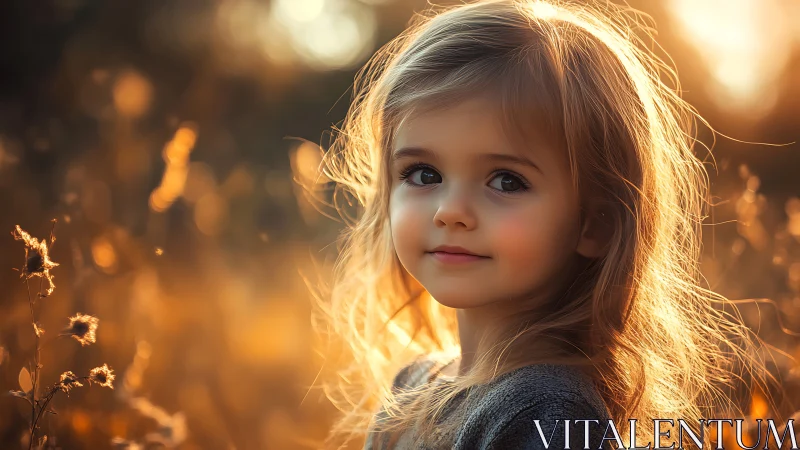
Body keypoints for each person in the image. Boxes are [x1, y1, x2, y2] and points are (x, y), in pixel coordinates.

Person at [309, 0, 780, 448]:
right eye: (423, 174)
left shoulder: (546, 413)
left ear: (595, 223)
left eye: (506, 181)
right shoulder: (413, 385)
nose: (449, 211)